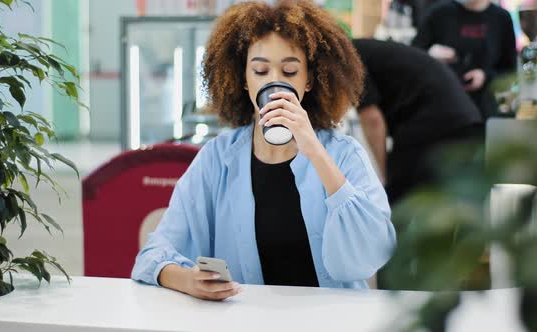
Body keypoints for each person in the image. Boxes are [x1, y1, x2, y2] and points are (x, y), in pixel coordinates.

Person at [131, 1, 396, 301]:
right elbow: (152, 256)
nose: (273, 81)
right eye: (260, 69)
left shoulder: (344, 154)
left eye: (290, 70)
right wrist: (187, 280)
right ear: (243, 78)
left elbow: (374, 252)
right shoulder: (217, 159)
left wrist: (316, 152)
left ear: (308, 80)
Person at [352, 38, 483, 205]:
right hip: (466, 120)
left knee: (397, 200)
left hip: (434, 122)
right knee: (452, 203)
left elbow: (372, 119)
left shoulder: (348, 58)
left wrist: (383, 176)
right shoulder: (368, 48)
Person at [412, 0, 517, 118]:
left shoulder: (502, 18)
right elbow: (412, 57)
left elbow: (510, 70)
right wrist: (430, 54)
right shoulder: (439, 13)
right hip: (444, 105)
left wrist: (485, 76)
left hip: (487, 109)